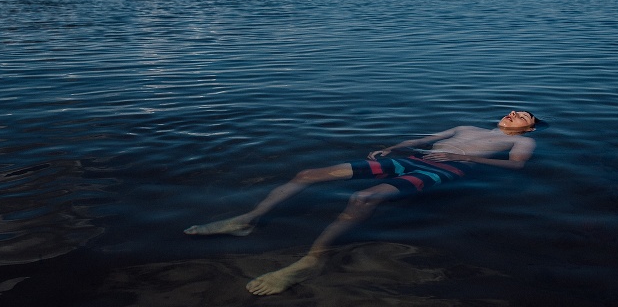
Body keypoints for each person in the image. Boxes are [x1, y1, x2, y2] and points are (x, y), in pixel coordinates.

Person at [185, 110, 538, 295]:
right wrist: (395, 147)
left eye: (522, 115)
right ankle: (250, 217)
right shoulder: (465, 127)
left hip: (447, 170)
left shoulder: (523, 142)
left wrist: (470, 160)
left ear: (529, 128)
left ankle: (311, 260)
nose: (512, 114)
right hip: (411, 158)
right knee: (309, 174)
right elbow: (425, 138)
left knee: (363, 197)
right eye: (512, 110)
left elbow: (517, 164)